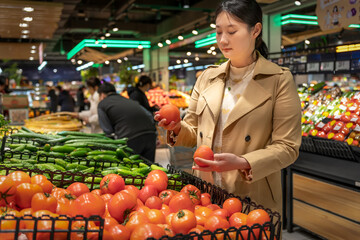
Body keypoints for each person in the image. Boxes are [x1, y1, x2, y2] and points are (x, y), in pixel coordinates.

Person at [155, 0, 301, 215]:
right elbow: (193, 132)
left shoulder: (279, 79)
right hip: (206, 191)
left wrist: (243, 162)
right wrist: (176, 128)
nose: (223, 40)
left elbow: (287, 147)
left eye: (232, 31)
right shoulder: (207, 77)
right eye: (218, 32)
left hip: (252, 193)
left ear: (256, 30)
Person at [98, 82, 157, 162]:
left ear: (102, 95)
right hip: (150, 134)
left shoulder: (102, 104)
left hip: (130, 138)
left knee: (131, 169)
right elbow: (149, 115)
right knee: (149, 168)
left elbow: (108, 130)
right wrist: (155, 132)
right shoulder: (128, 100)